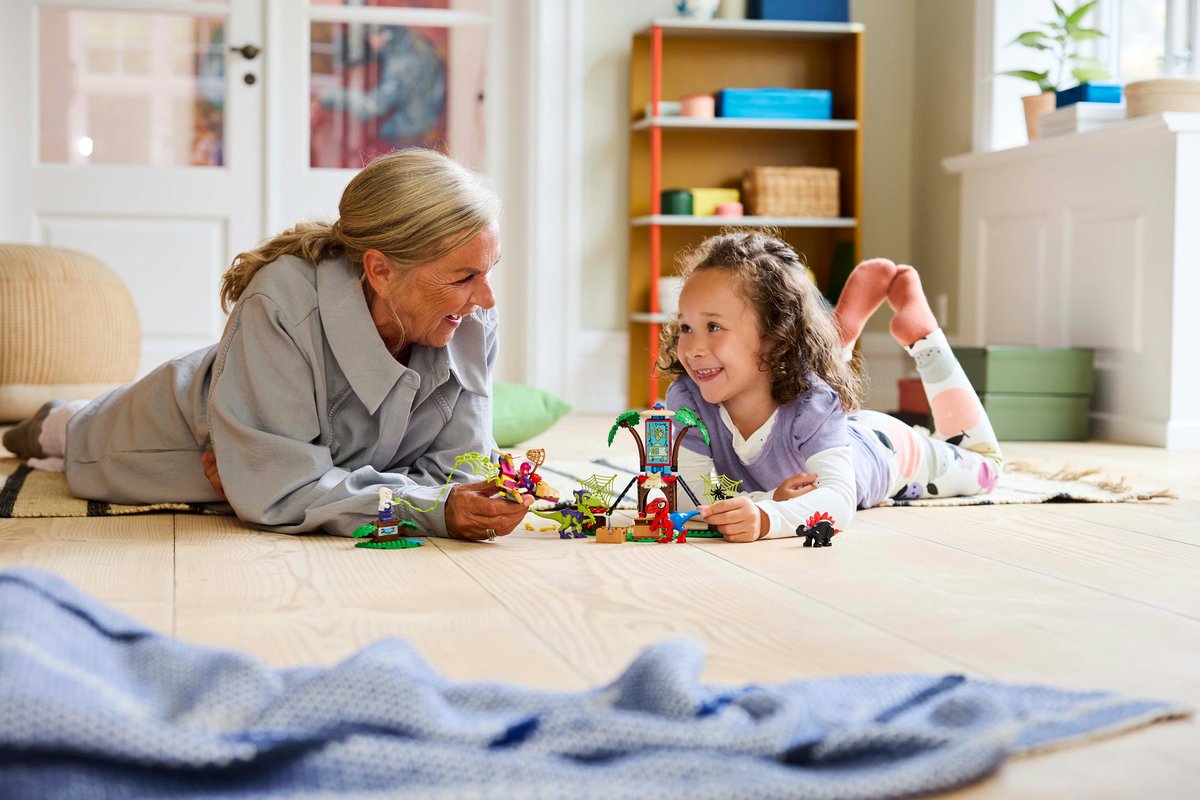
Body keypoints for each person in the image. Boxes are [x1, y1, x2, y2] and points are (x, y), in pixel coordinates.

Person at [2, 148, 530, 541]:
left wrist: (318, 484)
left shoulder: (470, 316)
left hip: (253, 401)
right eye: (463, 277)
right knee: (77, 434)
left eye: (488, 271)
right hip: (172, 428)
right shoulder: (280, 304)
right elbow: (280, 494)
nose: (485, 296)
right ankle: (56, 421)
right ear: (381, 270)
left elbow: (456, 472)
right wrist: (414, 503)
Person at [660, 230, 1003, 543]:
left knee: (986, 466)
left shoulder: (814, 404)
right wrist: (769, 499)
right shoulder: (688, 399)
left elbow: (838, 498)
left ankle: (926, 340)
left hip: (883, 450)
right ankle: (838, 337)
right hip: (823, 425)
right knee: (801, 382)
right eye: (687, 327)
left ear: (774, 335)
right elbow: (690, 497)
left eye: (714, 327)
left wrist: (768, 518)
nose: (693, 348)